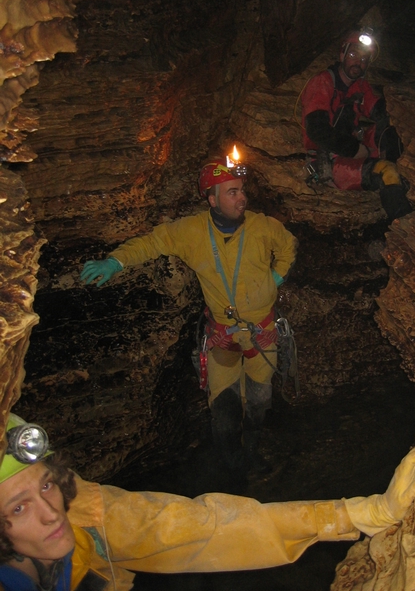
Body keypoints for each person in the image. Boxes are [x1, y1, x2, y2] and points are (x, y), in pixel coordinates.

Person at [0, 413, 415, 591]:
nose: (51, 514)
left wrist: (363, 511)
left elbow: (207, 527)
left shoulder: (88, 516)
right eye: (18, 508)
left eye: (47, 486)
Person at [80, 155, 298, 479]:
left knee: (258, 402)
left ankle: (252, 453)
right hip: (223, 337)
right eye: (232, 192)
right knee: (224, 410)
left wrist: (274, 280)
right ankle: (234, 465)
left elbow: (288, 247)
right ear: (212, 200)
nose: (242, 198)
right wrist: (116, 262)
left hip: (262, 333)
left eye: (241, 190)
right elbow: (152, 243)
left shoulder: (263, 227)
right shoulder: (191, 232)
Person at [301, 28, 412, 221]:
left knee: (392, 129)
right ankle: (404, 222)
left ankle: (393, 182)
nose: (358, 62)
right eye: (353, 55)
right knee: (386, 171)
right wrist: (355, 150)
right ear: (342, 54)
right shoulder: (322, 83)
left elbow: (381, 112)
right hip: (330, 160)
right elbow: (317, 131)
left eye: (364, 58)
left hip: (353, 149)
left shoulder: (359, 86)